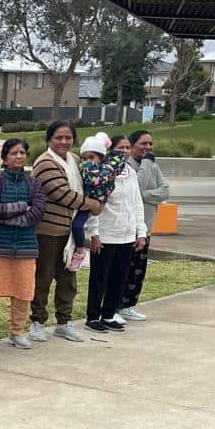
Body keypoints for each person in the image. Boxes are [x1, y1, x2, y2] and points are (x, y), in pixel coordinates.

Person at [30, 121, 102, 343]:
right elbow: (62, 194)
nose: (63, 142)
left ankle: (63, 322)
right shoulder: (44, 163)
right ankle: (37, 321)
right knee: (43, 278)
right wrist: (91, 203)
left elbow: (86, 186)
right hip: (48, 231)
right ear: (49, 139)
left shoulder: (76, 161)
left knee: (68, 278)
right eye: (58, 137)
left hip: (72, 232)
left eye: (68, 138)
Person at [0, 138, 47, 349]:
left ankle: (17, 331)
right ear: (4, 158)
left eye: (22, 152)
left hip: (25, 247)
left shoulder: (33, 183)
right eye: (13, 153)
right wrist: (23, 205)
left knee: (23, 291)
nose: (18, 156)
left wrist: (8, 217)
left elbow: (38, 212)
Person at [84, 135, 146, 334]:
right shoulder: (102, 174)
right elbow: (94, 204)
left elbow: (137, 203)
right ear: (110, 151)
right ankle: (93, 317)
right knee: (99, 278)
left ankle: (109, 314)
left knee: (119, 278)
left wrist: (140, 232)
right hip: (105, 235)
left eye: (128, 148)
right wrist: (94, 233)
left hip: (126, 235)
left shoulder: (130, 173)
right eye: (121, 148)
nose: (125, 152)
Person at [118, 130, 169, 321]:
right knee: (124, 270)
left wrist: (142, 195)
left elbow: (165, 191)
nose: (147, 148)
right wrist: (147, 163)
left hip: (146, 227)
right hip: (127, 229)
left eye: (150, 144)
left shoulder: (153, 166)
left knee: (138, 271)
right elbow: (136, 188)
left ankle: (129, 305)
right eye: (143, 144)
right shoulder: (128, 166)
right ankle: (116, 306)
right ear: (132, 146)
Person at [66, 132, 121, 272]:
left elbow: (95, 181)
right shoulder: (84, 168)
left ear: (101, 158)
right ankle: (76, 249)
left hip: (91, 205)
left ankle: (80, 250)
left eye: (91, 157)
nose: (87, 161)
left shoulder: (106, 171)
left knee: (77, 226)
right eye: (84, 158)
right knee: (75, 227)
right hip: (83, 202)